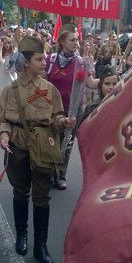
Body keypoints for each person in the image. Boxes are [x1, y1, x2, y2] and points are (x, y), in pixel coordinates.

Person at [0, 36, 76, 263]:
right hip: (18, 147)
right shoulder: (10, 90)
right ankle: (22, 235)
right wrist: (4, 136)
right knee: (21, 192)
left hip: (42, 149)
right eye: (39, 59)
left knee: (42, 198)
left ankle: (41, 246)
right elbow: (1, 122)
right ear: (27, 62)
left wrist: (64, 121)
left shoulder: (50, 89)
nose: (44, 62)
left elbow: (56, 116)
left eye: (44, 58)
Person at [46, 31, 97, 190]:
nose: (76, 42)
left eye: (77, 40)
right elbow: (40, 80)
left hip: (73, 110)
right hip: (52, 110)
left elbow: (90, 84)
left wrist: (112, 80)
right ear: (62, 42)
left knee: (67, 142)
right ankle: (48, 172)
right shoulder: (50, 59)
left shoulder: (82, 62)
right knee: (51, 141)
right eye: (72, 40)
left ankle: (61, 175)